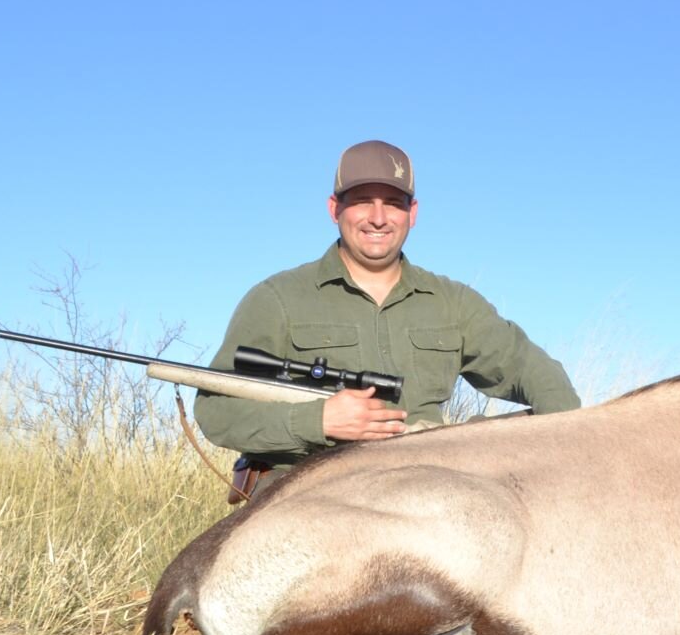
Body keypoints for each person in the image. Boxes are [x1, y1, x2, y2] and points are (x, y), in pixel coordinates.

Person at [194, 140, 581, 473]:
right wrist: (318, 421)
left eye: (393, 204)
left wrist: (554, 448)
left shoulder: (455, 303)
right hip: (309, 489)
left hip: (429, 484)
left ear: (412, 214)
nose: (378, 218)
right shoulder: (276, 298)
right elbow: (216, 413)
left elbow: (539, 374)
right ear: (334, 209)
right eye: (362, 202)